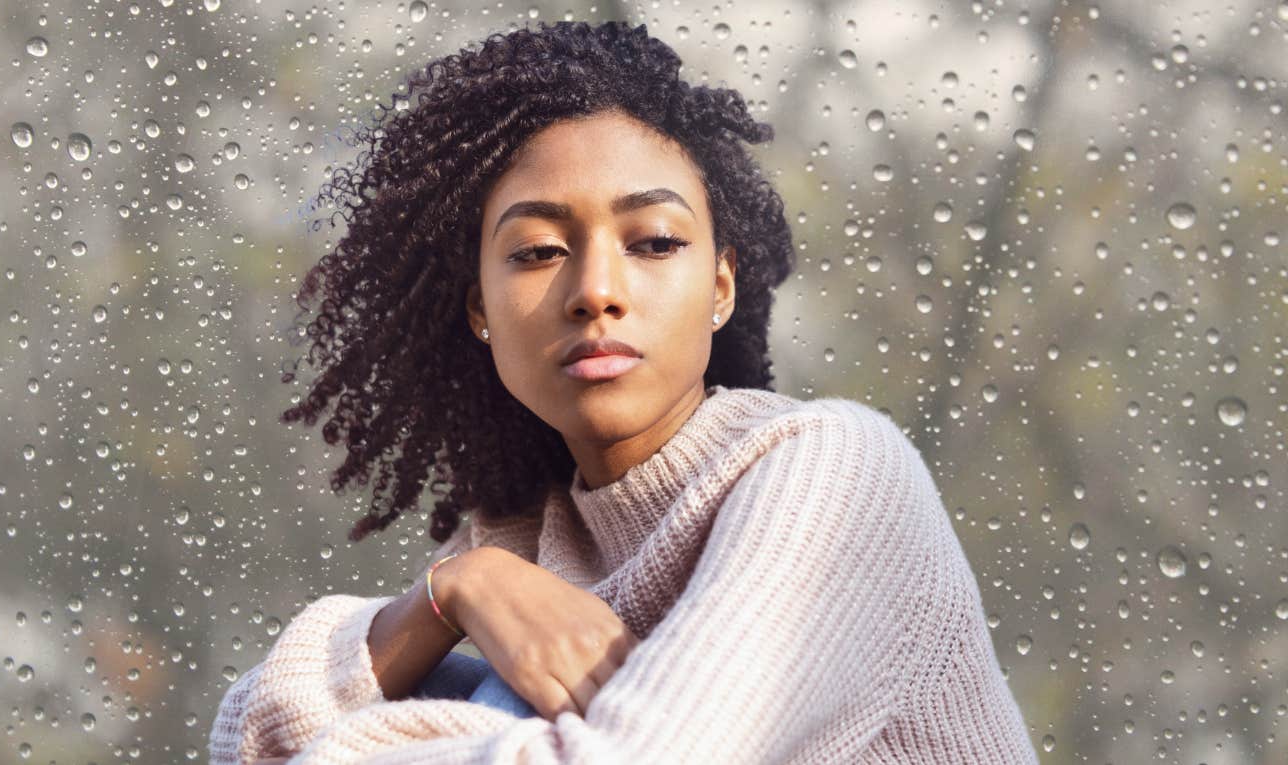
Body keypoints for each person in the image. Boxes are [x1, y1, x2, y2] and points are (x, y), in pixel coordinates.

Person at [210, 19, 1038, 765]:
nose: (595, 289)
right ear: (479, 310)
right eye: (537, 250)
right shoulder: (523, 544)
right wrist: (460, 588)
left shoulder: (838, 476)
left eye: (652, 240)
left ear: (721, 287)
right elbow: (246, 737)